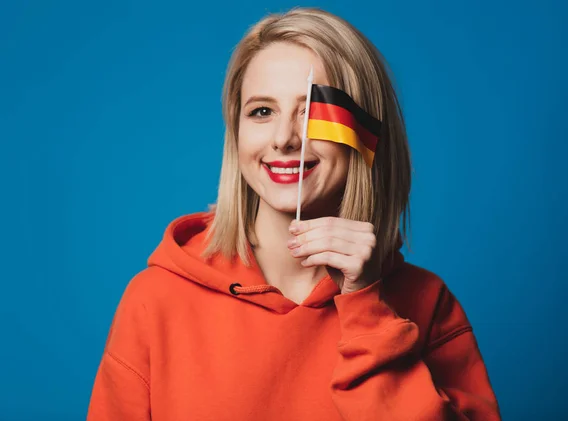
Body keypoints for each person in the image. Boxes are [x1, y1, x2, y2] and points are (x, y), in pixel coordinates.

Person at [87, 7, 501, 421]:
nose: (285, 138)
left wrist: (366, 312)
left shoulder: (426, 304)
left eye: (312, 111)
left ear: (364, 134)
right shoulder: (155, 300)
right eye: (262, 111)